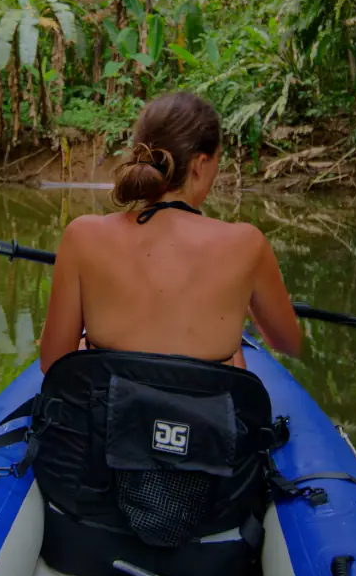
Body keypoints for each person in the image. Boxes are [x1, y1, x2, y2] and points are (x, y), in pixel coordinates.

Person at [39, 90, 302, 373]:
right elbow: (288, 343)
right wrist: (245, 303)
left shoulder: (82, 236)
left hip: (113, 411)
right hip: (204, 415)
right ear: (200, 165)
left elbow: (52, 363)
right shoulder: (248, 244)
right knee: (234, 353)